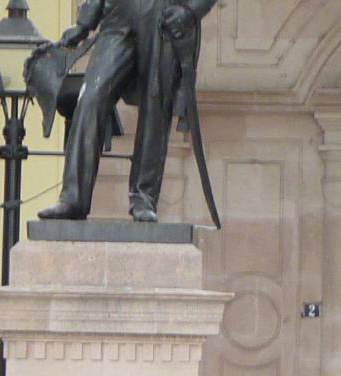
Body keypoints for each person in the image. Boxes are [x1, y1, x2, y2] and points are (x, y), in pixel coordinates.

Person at [37, 0, 217, 223]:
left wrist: (191, 11)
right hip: (118, 14)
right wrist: (84, 22)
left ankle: (144, 196)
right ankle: (73, 197)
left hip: (163, 14)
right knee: (90, 98)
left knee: (155, 107)